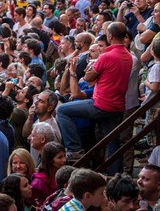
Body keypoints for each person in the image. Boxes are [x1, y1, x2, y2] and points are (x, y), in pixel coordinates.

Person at [56, 22, 133, 174]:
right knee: (113, 142)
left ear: (110, 36)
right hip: (117, 106)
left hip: (100, 104)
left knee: (62, 110)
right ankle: (113, 176)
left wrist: (77, 71)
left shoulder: (106, 56)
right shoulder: (128, 56)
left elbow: (87, 76)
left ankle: (74, 149)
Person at [31, 142, 66, 208]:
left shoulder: (59, 175)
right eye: (60, 157)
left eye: (64, 156)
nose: (64, 160)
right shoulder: (38, 183)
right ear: (50, 160)